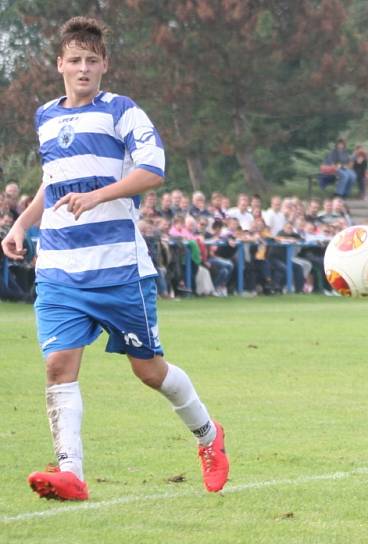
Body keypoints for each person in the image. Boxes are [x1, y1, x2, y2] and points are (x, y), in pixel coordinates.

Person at [0, 16, 229, 501]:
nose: (83, 68)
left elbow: (153, 170)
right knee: (58, 365)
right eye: (74, 60)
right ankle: (72, 472)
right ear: (60, 64)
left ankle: (209, 436)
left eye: (92, 60)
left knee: (149, 371)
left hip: (119, 270)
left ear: (104, 64)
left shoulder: (123, 112)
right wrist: (21, 224)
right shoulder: (46, 116)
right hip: (60, 268)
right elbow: (52, 182)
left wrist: (100, 195)